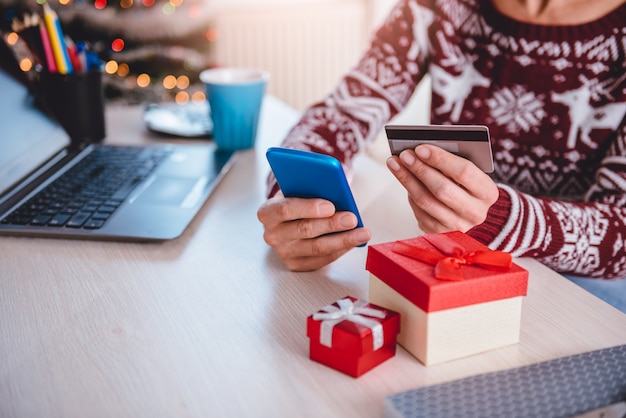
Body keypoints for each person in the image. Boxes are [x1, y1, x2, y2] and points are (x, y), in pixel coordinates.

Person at [256, 0, 626, 311]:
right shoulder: (435, 6)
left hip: (583, 296)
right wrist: (294, 198)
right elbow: (342, 112)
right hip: (451, 268)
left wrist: (498, 218)